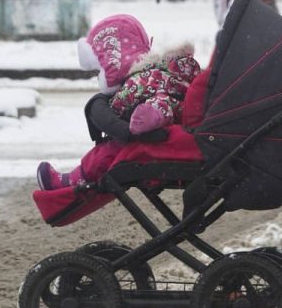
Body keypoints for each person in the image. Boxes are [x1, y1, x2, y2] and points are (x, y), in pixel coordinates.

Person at [36, 14, 200, 190]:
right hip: (182, 130)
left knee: (112, 150)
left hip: (162, 141)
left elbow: (121, 105)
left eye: (98, 70)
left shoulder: (141, 80)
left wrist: (109, 109)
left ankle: (74, 180)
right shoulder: (168, 75)